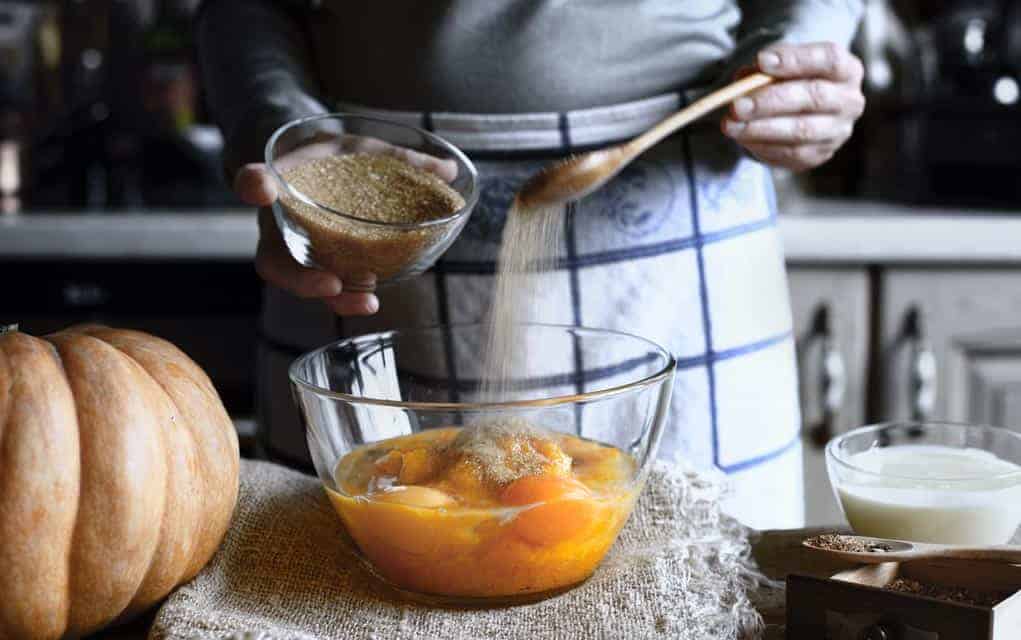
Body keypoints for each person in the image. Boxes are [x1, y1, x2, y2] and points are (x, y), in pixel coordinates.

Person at [196, 1, 865, 529]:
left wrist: (798, 60)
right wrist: (285, 131)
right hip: (365, 189)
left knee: (706, 578)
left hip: (685, 188)